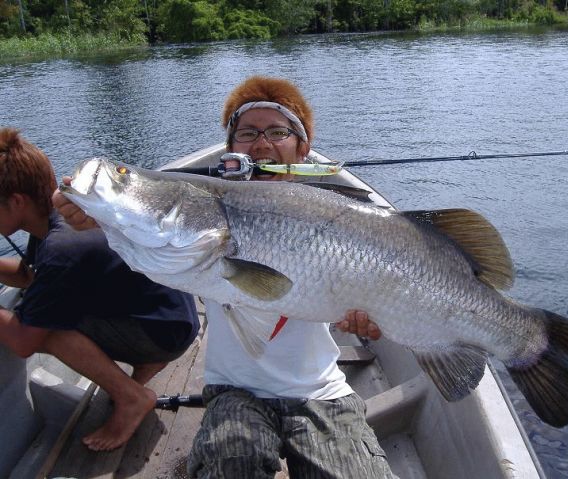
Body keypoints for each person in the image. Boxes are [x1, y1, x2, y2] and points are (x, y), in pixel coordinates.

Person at [53, 76, 394, 478]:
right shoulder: (208, 212)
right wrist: (85, 213)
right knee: (228, 462)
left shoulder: (338, 216)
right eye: (247, 133)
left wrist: (377, 320)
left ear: (302, 149)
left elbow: (384, 309)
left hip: (321, 392)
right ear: (231, 150)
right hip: (235, 392)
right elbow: (135, 225)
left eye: (278, 132)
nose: (262, 144)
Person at [0, 127, 200, 452]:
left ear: (16, 201)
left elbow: (23, 343)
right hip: (175, 320)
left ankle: (131, 398)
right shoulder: (58, 221)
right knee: (44, 302)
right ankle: (145, 365)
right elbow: (29, 275)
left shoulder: (60, 246)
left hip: (161, 333)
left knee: (43, 327)